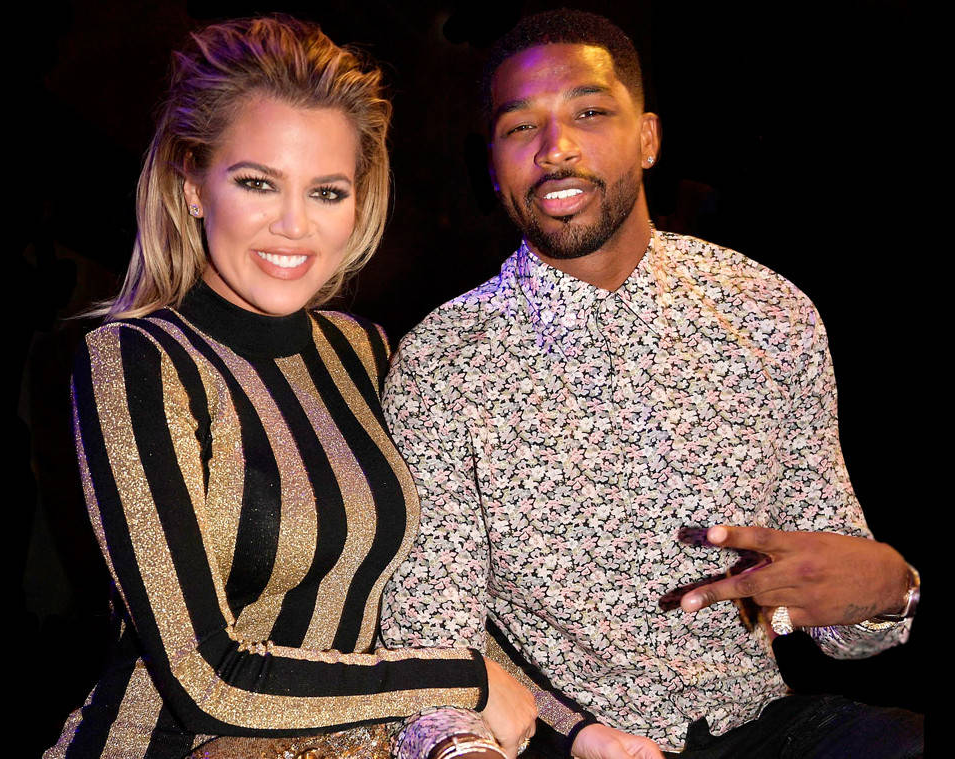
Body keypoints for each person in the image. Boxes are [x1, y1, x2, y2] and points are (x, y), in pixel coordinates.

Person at [380, 9, 922, 759]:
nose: (555, 148)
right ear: (493, 164)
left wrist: (894, 590)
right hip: (563, 741)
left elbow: (838, 618)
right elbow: (430, 637)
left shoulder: (767, 312)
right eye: (520, 127)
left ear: (648, 138)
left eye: (590, 112)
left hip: (764, 726)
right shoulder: (443, 361)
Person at [44, 15, 537, 759]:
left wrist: (577, 726)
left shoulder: (365, 351)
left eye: (327, 192)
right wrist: (463, 680)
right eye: (257, 183)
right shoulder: (137, 361)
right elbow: (206, 679)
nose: (294, 226)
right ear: (192, 185)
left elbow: (434, 595)